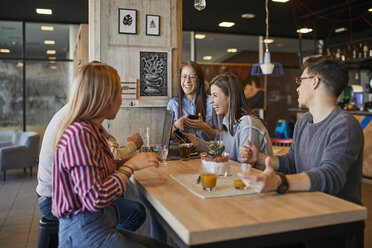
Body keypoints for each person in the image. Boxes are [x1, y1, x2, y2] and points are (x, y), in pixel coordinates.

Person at [51, 61, 170, 247]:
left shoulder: (93, 130)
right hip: (84, 234)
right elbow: (94, 198)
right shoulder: (79, 134)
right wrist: (131, 166)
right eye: (119, 93)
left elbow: (100, 169)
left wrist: (136, 160)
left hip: (100, 225)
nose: (121, 100)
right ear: (106, 98)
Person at [239, 56, 364, 205]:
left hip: (336, 216)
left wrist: (280, 181)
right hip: (305, 204)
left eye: (300, 80)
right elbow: (292, 162)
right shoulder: (304, 121)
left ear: (315, 81)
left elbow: (331, 176)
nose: (297, 87)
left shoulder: (344, 125)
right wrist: (258, 157)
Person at [36, 104, 145, 232]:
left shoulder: (80, 115)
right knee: (135, 212)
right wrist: (130, 163)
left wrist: (133, 161)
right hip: (56, 201)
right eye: (117, 94)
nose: (120, 101)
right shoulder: (79, 126)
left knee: (122, 200)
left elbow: (109, 156)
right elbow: (94, 195)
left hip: (57, 197)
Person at [184, 72, 273, 163]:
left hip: (254, 176)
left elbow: (245, 166)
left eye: (215, 95)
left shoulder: (248, 124)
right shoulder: (227, 121)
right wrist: (197, 142)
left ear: (230, 96)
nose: (210, 101)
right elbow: (221, 149)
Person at [167, 61, 215, 141]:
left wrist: (203, 127)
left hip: (207, 152)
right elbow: (167, 139)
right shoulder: (173, 104)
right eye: (184, 76)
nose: (187, 81)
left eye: (192, 76)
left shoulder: (211, 102)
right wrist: (175, 126)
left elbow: (220, 136)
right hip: (181, 151)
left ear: (199, 80)